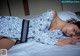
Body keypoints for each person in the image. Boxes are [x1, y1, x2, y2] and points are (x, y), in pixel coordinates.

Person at [0, 10, 80, 49]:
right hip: (14, 26)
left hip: (17, 39)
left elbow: (43, 38)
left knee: (2, 53)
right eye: (74, 30)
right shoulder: (52, 14)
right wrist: (56, 42)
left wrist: (68, 39)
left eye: (72, 34)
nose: (70, 33)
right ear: (73, 21)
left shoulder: (60, 34)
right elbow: (36, 33)